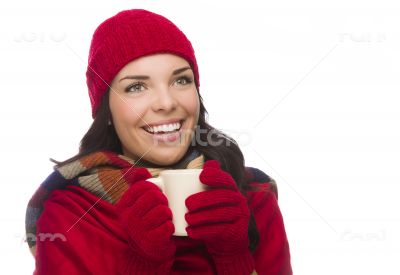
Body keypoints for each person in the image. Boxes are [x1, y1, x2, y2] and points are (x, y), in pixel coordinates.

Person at [25, 9, 293, 275]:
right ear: (106, 111)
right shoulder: (70, 215)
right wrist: (143, 265)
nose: (167, 102)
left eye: (181, 80)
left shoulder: (253, 197)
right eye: (136, 87)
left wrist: (233, 258)